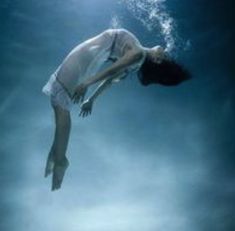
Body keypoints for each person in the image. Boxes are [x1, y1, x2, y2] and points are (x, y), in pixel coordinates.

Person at [42, 28, 190, 191]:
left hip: (83, 61)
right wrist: (92, 99)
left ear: (157, 60)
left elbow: (111, 73)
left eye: (165, 56)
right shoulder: (135, 62)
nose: (164, 51)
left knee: (60, 103)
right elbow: (111, 80)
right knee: (59, 101)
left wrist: (88, 83)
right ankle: (56, 154)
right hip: (86, 60)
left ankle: (60, 159)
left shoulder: (138, 54)